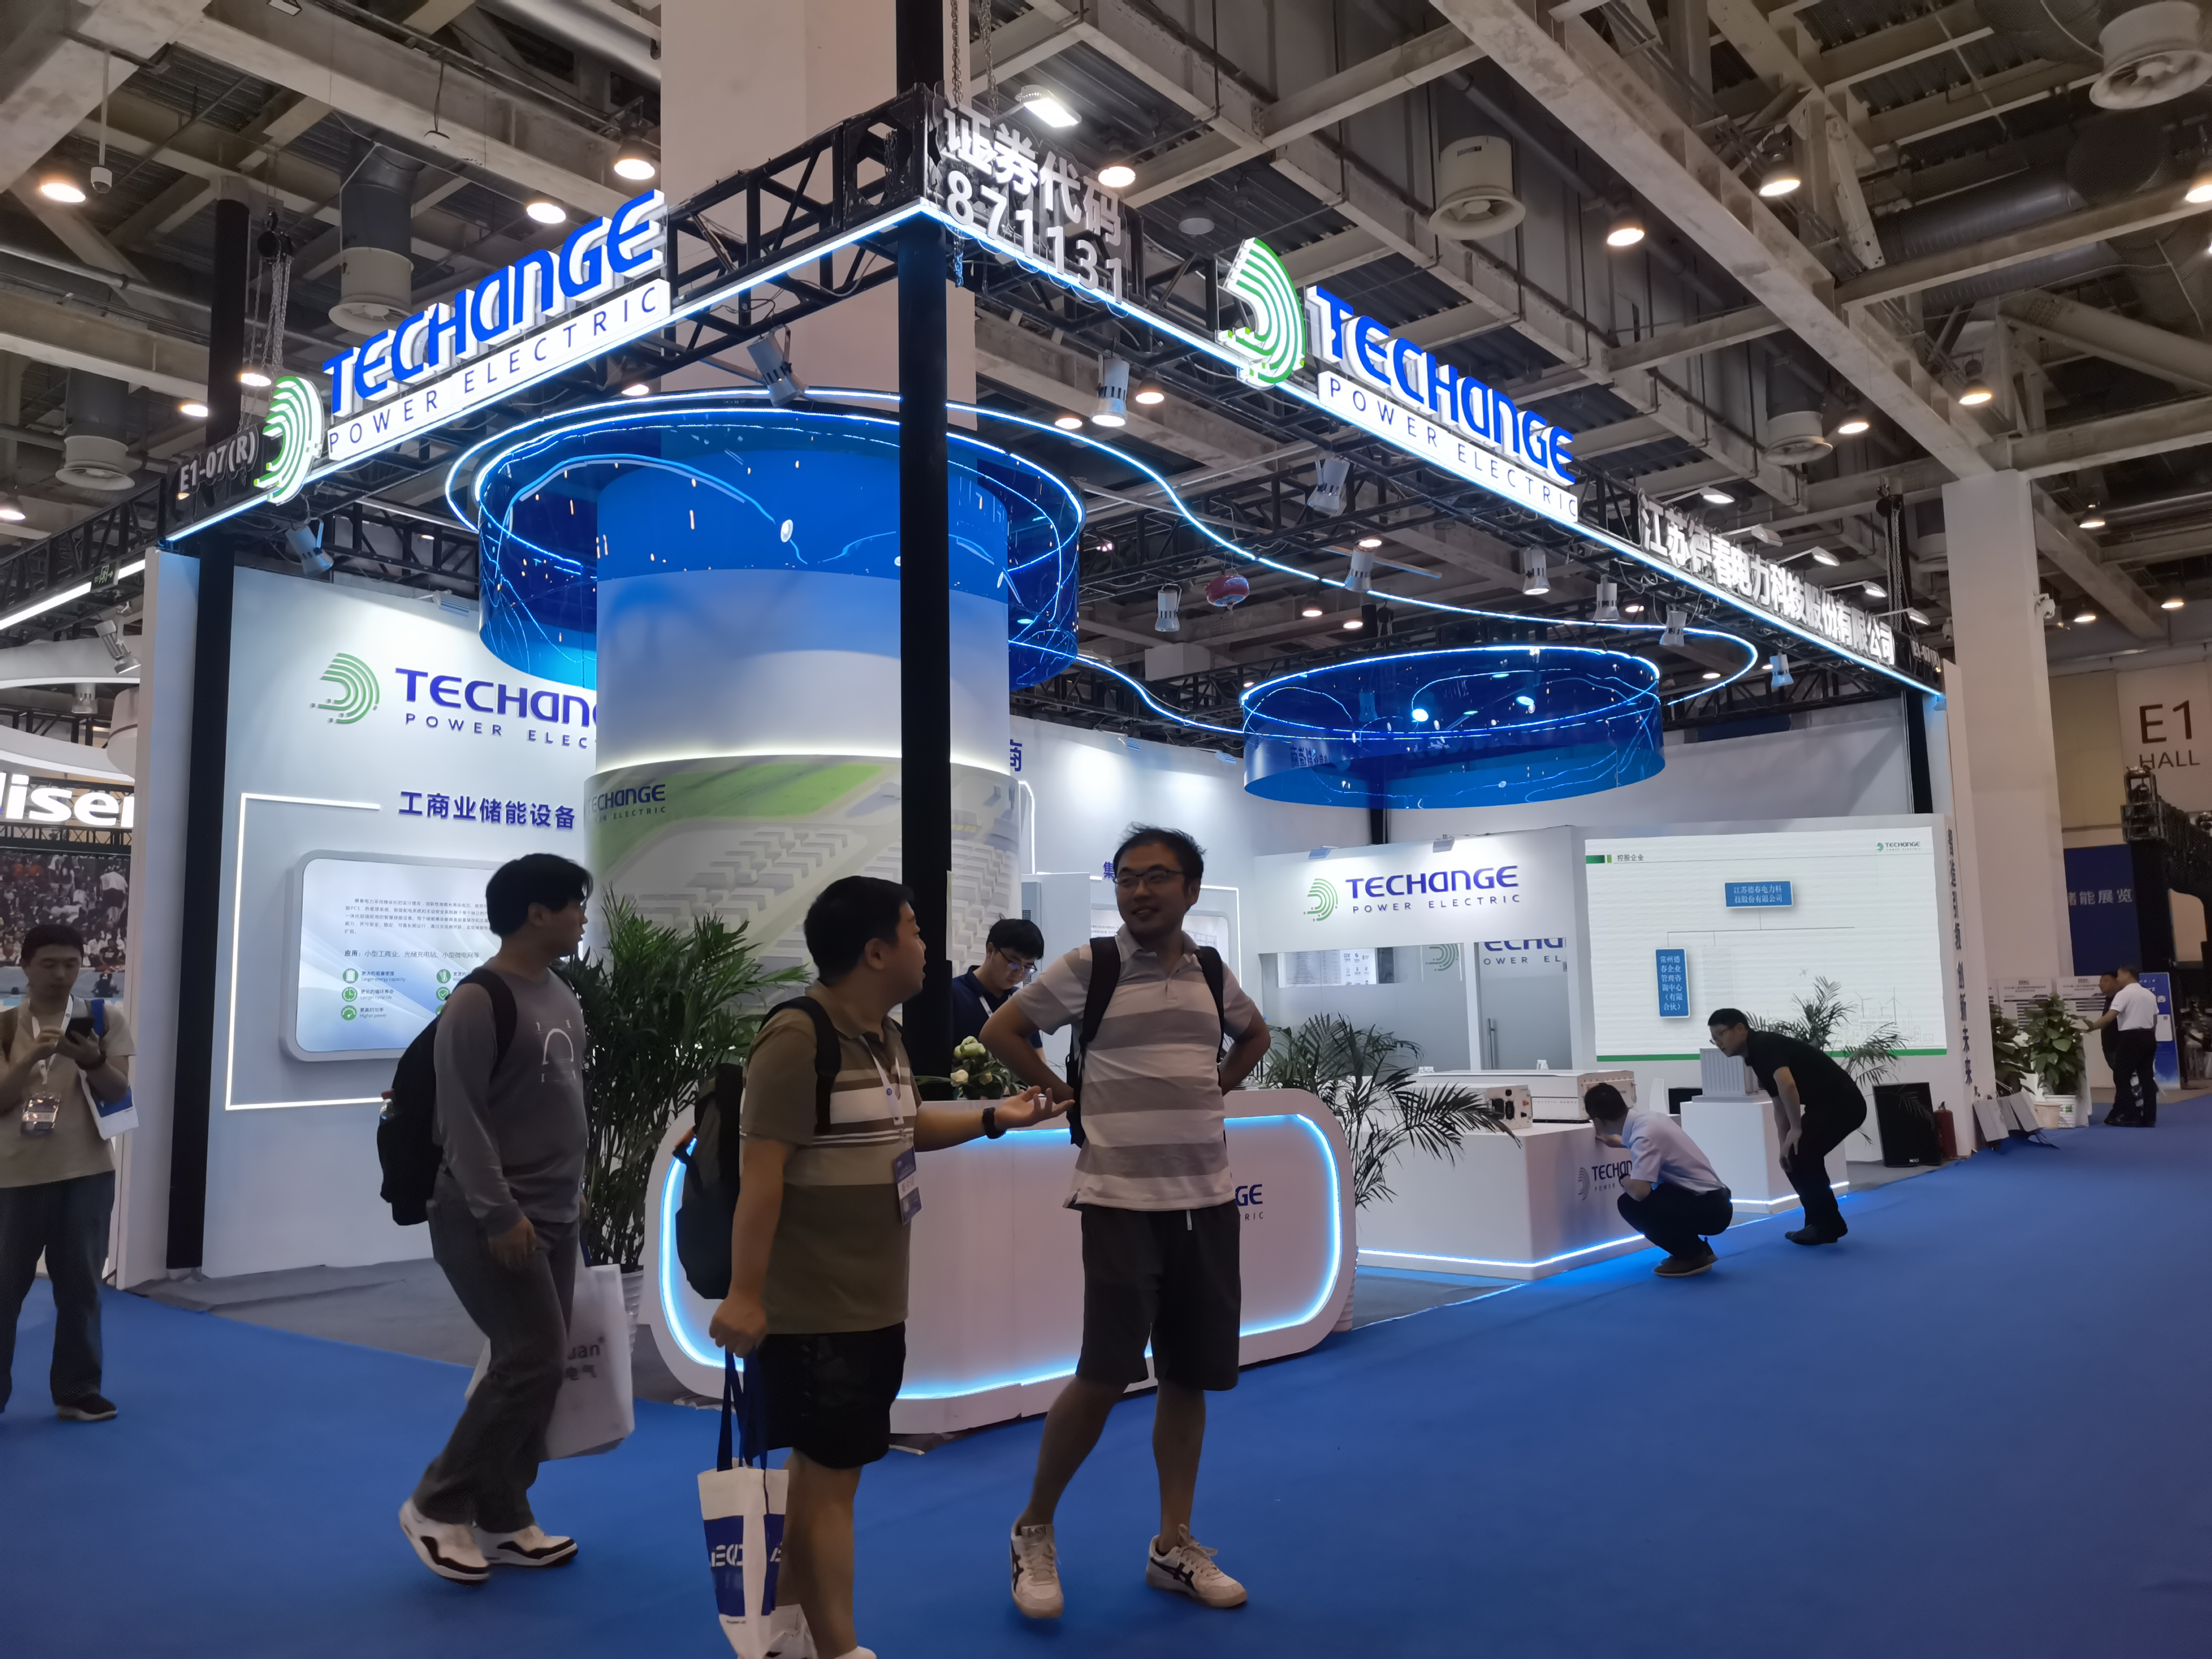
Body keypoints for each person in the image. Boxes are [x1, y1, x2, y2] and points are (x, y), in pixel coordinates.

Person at [709, 876, 1057, 1659]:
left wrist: (995, 1116)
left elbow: (905, 1125)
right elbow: (761, 1178)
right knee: (831, 1482)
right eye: (913, 931)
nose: (926, 947)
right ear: (874, 952)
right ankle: (840, 1648)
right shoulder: (797, 1037)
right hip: (815, 1307)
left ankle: (788, 1631)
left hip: (872, 1299)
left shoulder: (883, 1036)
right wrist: (745, 1294)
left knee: (825, 1476)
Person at [981, 825, 1272, 1621]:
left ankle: (1173, 1545)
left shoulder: (1210, 971)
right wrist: (1060, 1090)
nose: (1139, 891)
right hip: (1118, 1200)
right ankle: (1032, 1530)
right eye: (1126, 878)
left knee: (1189, 1375)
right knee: (1104, 1374)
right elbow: (1000, 1029)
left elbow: (1255, 1033)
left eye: (1157, 877)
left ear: (1191, 889)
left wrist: (1218, 1083)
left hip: (1206, 1199)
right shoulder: (1091, 966)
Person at [400, 854, 594, 1585]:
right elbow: (462, 1122)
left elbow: (561, 1101)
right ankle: (436, 1503)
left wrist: (572, 1189)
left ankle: (505, 1514)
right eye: (573, 905)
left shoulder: (561, 994)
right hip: (490, 1215)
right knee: (529, 1358)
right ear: (537, 914)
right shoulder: (478, 1001)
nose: (582, 917)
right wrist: (498, 1211)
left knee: (541, 1367)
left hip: (554, 1210)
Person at [0, 922, 134, 1421]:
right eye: (49, 964)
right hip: (12, 1177)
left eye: (71, 964)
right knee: (3, 1292)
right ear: (25, 965)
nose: (61, 974)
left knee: (82, 1289)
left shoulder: (103, 1019)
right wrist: (32, 1057)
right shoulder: (6, 1027)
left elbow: (119, 1092)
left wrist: (94, 1060)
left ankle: (78, 1391)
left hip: (86, 1172)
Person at [1709, 1006, 1865, 1245]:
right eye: (1714, 1039)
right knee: (1795, 1157)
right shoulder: (1755, 1055)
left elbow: (1787, 1085)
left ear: (1740, 1029)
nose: (1718, 1043)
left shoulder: (1764, 1045)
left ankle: (1826, 1224)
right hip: (1829, 1105)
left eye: (1721, 1034)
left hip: (1843, 1103)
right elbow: (1778, 1103)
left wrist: (1797, 1128)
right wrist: (1784, 1144)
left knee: (1802, 1156)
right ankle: (1819, 1222)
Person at [1583, 1083, 1731, 1277]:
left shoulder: (1644, 1136)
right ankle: (1700, 1250)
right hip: (1715, 1201)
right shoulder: (1649, 1119)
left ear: (1597, 1121)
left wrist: (1624, 1180)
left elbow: (1640, 1192)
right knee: (1661, 1195)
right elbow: (1652, 1144)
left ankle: (1690, 1256)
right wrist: (1623, 1143)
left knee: (1630, 1204)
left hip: (1711, 1210)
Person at [950, 917, 1044, 1046]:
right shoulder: (952, 995)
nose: (1019, 973)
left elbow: (1037, 1053)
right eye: (1014, 963)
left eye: (1027, 968)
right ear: (991, 951)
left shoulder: (1022, 1002)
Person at [2087, 966, 2160, 1127]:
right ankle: (2149, 1118)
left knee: (2121, 1077)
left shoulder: (2124, 994)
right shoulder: (2149, 994)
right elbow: (2155, 1020)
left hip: (2131, 1037)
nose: (2118, 979)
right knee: (2147, 1079)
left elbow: (2109, 1017)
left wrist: (2090, 1027)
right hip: (2149, 1036)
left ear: (2127, 975)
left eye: (2119, 976)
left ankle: (2131, 1115)